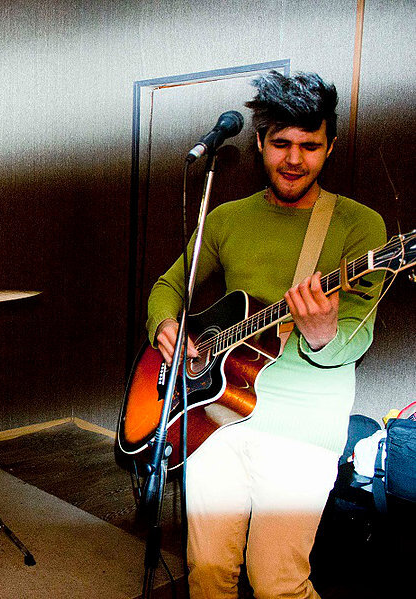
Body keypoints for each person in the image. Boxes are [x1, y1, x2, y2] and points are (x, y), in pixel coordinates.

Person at [146, 71, 386, 598]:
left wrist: (323, 334)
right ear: (258, 143)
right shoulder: (227, 218)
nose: (294, 159)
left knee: (277, 581)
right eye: (281, 144)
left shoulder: (359, 225)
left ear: (330, 147)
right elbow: (170, 285)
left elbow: (356, 336)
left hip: (302, 426)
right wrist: (164, 323)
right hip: (216, 416)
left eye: (310, 146)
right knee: (208, 572)